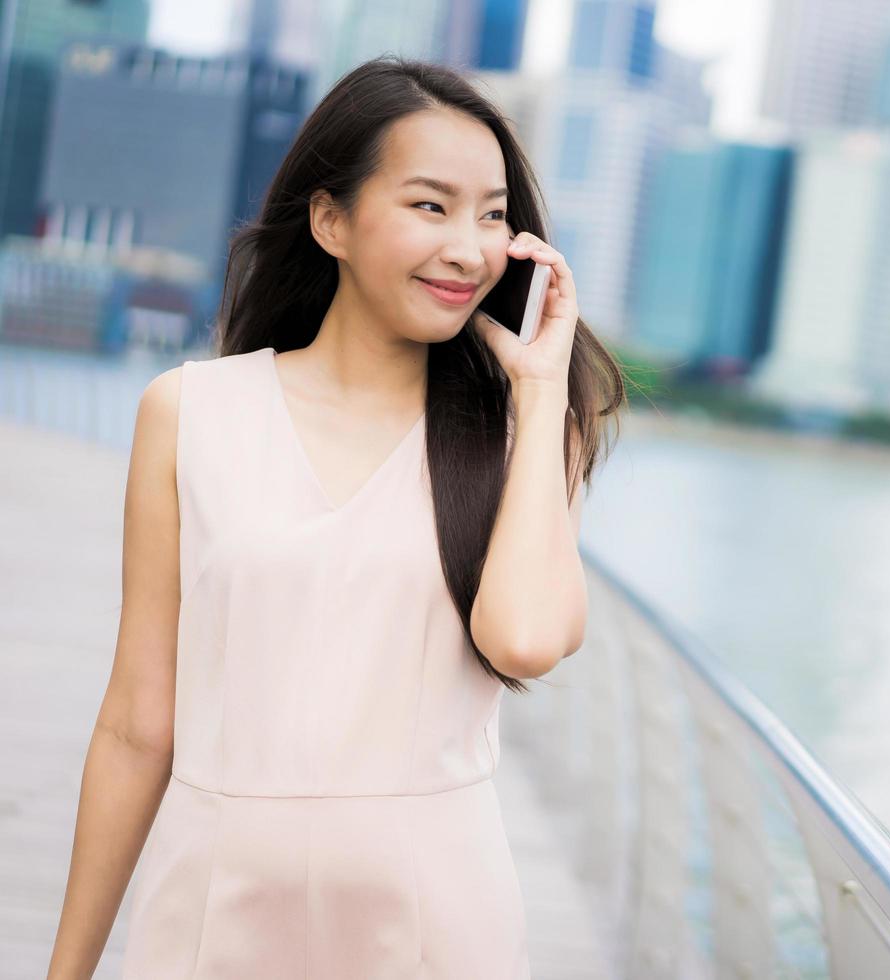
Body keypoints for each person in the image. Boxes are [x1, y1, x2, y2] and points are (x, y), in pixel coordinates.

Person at [45, 55, 627, 978]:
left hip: (436, 920)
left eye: (492, 214)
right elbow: (135, 725)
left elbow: (522, 640)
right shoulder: (190, 413)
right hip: (214, 902)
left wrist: (542, 385)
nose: (470, 248)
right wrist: (66, 969)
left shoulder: (522, 431)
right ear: (332, 220)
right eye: (430, 206)